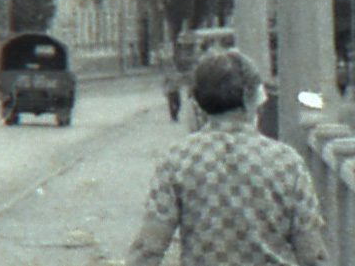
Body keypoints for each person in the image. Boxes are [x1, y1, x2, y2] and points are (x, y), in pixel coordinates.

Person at [128, 50, 328, 266]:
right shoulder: (287, 162)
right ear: (253, 98)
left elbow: (149, 249)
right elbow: (312, 253)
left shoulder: (177, 161)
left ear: (198, 102)